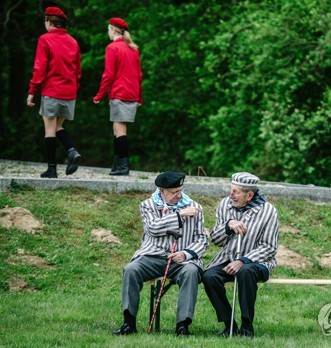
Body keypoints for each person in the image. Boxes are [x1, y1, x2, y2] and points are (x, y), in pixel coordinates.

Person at [112, 170, 207, 336]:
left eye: (180, 191)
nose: (178, 195)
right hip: (151, 256)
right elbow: (153, 228)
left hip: (181, 261)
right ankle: (129, 323)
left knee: (191, 272)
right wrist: (180, 214)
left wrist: (186, 254)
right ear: (162, 191)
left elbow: (201, 240)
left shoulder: (195, 207)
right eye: (173, 192)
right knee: (131, 269)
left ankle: (182, 325)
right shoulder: (148, 205)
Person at [202, 172, 280, 338]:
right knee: (209, 276)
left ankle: (247, 325)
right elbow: (216, 239)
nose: (231, 195)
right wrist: (228, 226)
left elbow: (269, 247)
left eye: (236, 192)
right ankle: (229, 323)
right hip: (228, 258)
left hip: (258, 262)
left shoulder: (269, 211)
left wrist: (243, 261)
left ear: (249, 195)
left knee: (245, 272)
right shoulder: (225, 204)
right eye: (231, 190)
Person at [27, 6, 82, 178]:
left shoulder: (45, 39)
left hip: (52, 90)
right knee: (58, 126)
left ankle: (52, 169)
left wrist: (32, 91)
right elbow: (78, 71)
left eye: (45, 20)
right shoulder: (73, 41)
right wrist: (74, 88)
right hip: (69, 92)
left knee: (50, 130)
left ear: (49, 22)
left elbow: (39, 68)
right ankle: (71, 150)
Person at [93, 17, 142, 176]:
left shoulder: (113, 48)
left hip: (120, 92)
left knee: (120, 129)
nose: (108, 32)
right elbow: (139, 75)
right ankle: (117, 164)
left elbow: (108, 74)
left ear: (114, 30)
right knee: (117, 128)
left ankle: (123, 166)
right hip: (131, 92)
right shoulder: (133, 49)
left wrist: (99, 95)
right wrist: (139, 96)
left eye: (108, 29)